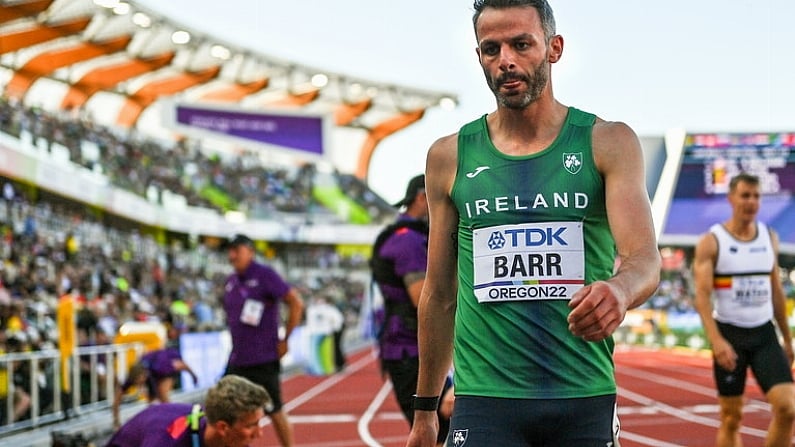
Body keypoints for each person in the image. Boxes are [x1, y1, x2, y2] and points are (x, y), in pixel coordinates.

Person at [405, 1, 661, 446]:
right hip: (485, 401)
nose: (505, 60)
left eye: (521, 44)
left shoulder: (607, 142)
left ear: (554, 48)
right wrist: (426, 412)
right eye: (491, 49)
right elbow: (440, 293)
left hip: (582, 394)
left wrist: (619, 290)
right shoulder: (448, 156)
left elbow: (644, 260)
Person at [693, 173, 795, 447]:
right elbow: (702, 297)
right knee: (731, 417)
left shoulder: (769, 238)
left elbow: (776, 291)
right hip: (730, 336)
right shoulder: (712, 242)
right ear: (731, 198)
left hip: (763, 334)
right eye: (745, 195)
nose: (751, 202)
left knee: (789, 408)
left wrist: (787, 339)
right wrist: (717, 342)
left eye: (756, 196)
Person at [371, 174, 452, 446]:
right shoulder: (408, 241)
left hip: (409, 346)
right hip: (411, 349)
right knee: (437, 429)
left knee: (446, 423)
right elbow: (424, 300)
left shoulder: (403, 235)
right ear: (422, 197)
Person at [222, 234, 304, 447]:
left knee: (274, 410)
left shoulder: (265, 275)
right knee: (226, 410)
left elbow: (295, 302)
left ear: (250, 251)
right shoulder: (230, 282)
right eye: (229, 250)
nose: (232, 255)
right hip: (238, 358)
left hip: (263, 359)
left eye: (236, 250)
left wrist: (286, 339)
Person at [105, 374, 271, 447]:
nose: (259, 433)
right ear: (223, 428)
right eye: (251, 426)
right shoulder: (166, 441)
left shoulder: (227, 432)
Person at [112, 347, 199, 429]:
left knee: (162, 394)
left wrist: (193, 375)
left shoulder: (161, 367)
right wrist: (116, 420)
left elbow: (182, 365)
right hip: (152, 366)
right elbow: (117, 398)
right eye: (137, 383)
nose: (139, 385)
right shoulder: (133, 377)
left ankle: (173, 418)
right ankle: (159, 419)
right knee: (153, 401)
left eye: (140, 382)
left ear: (144, 375)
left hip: (167, 362)